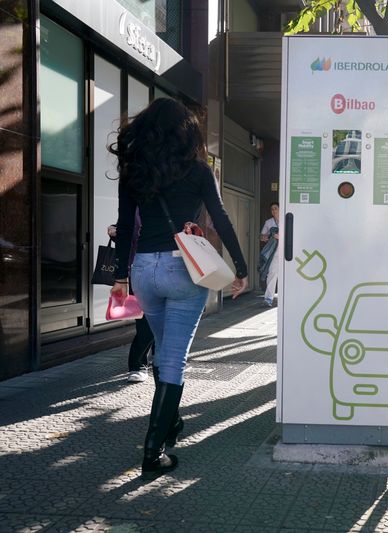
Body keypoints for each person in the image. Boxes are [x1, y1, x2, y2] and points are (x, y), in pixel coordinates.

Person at [110, 98, 248, 480]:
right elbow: (221, 218)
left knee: (162, 350)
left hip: (143, 271)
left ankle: (170, 423)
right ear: (186, 131)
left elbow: (124, 227)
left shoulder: (134, 171)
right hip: (183, 271)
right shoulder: (198, 171)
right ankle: (153, 453)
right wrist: (241, 268)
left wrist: (120, 277)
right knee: (173, 360)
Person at [107, 220, 153, 383]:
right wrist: (114, 231)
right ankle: (137, 364)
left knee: (166, 320)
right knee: (146, 322)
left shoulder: (174, 203)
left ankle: (160, 358)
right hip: (138, 272)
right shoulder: (136, 208)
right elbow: (125, 232)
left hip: (169, 271)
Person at [259, 202, 280, 306]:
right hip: (274, 252)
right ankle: (268, 298)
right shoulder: (269, 222)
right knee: (272, 273)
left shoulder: (287, 219)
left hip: (287, 252)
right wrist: (269, 236)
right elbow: (262, 237)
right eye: (272, 209)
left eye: (276, 208)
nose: (274, 211)